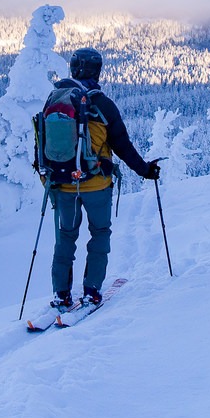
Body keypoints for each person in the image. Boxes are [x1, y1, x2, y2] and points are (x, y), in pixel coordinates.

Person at [47, 47, 159, 310]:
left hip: (63, 184)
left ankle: (61, 294)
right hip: (96, 183)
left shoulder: (54, 99)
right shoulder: (102, 103)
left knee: (65, 237)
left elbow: (42, 144)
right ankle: (92, 291)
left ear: (72, 69)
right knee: (99, 233)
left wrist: (49, 182)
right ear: (97, 71)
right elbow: (123, 146)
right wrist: (145, 170)